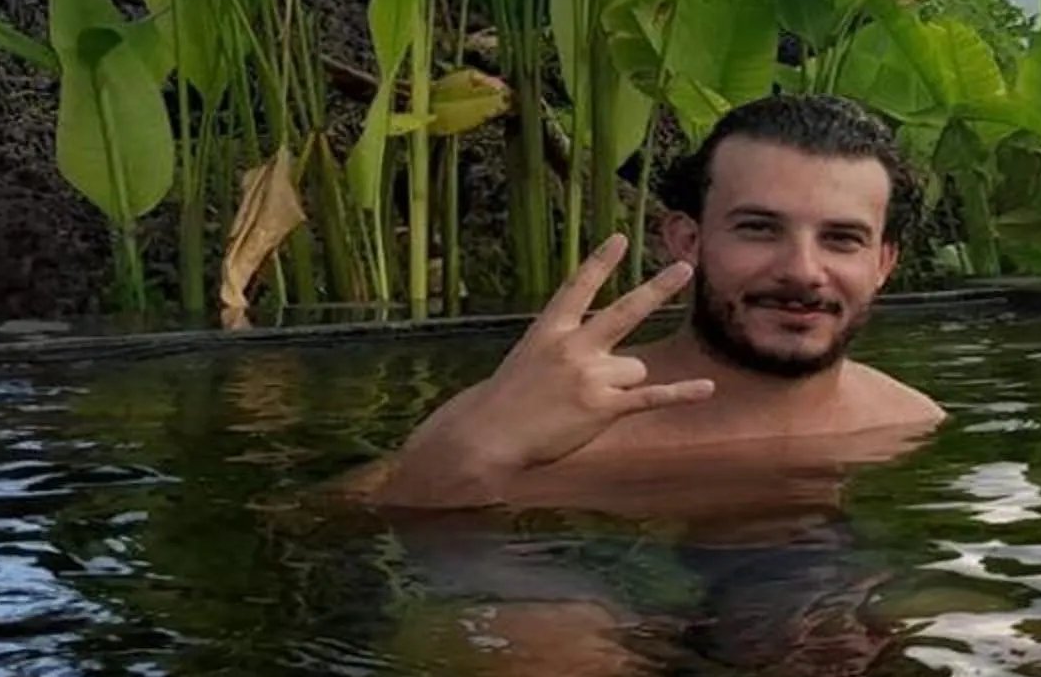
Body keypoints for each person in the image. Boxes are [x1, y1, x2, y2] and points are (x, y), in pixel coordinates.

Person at [351, 93, 944, 511]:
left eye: (841, 239)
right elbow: (324, 526)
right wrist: (471, 449)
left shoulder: (911, 422)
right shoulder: (555, 420)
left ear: (883, 263)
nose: (802, 271)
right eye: (759, 229)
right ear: (687, 239)